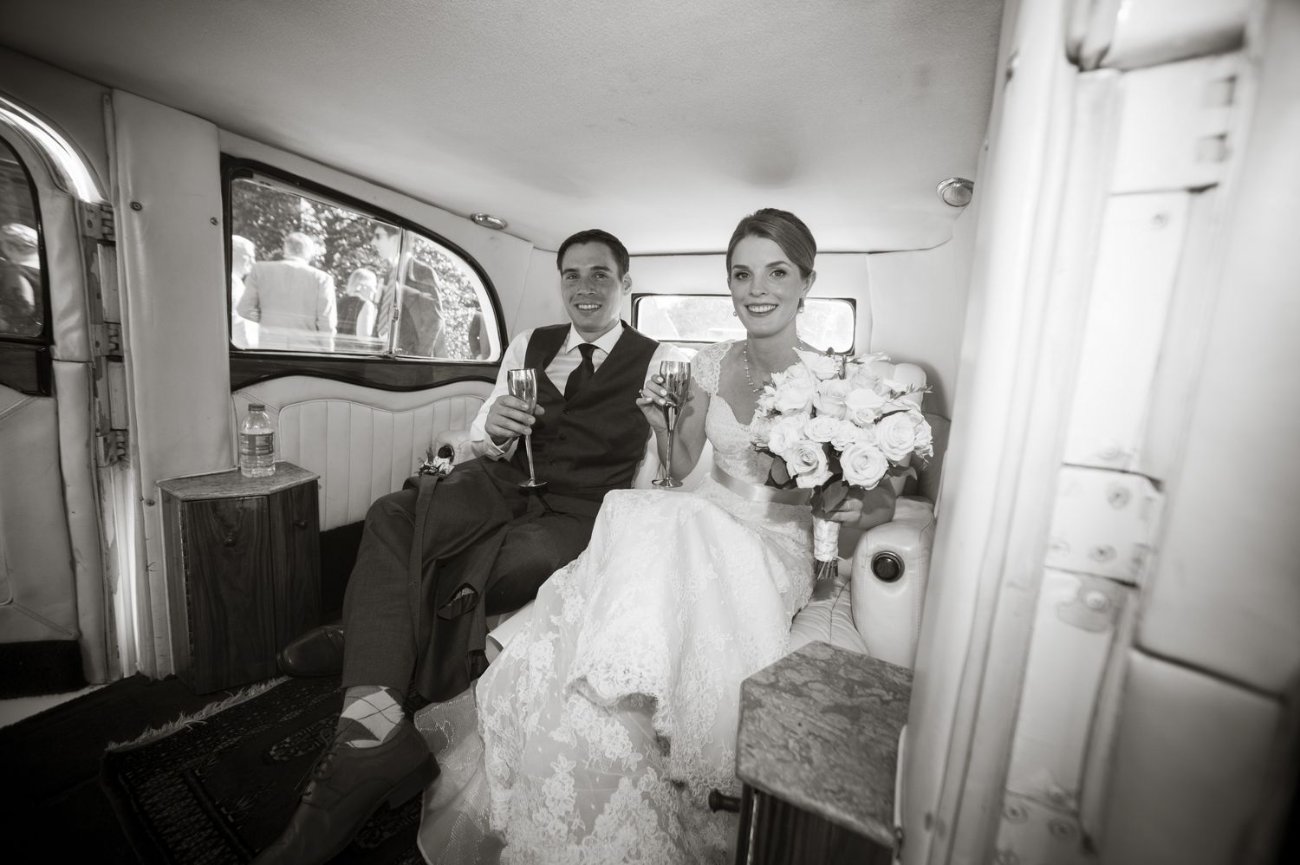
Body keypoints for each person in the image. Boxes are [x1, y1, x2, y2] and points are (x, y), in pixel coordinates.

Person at [415, 209, 901, 864]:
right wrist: (659, 425)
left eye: (777, 272)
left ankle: (622, 677)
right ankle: (609, 682)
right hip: (703, 513)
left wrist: (854, 505)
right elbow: (681, 465)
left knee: (667, 516)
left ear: (807, 281)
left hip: (773, 535)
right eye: (742, 274)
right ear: (730, 283)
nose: (757, 289)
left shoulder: (837, 381)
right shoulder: (708, 364)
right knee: (639, 507)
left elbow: (879, 495)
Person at [253, 229, 686, 865]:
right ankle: (371, 723)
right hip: (503, 480)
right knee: (394, 512)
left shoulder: (658, 358)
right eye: (571, 275)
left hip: (580, 508)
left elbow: (668, 463)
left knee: (512, 562)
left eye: (600, 274)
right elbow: (486, 430)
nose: (585, 288)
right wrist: (498, 428)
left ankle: (366, 642)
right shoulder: (530, 344)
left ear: (625, 282)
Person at [236, 232, 337, 352]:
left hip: (269, 347)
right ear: (309, 253)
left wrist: (265, 318)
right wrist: (328, 353)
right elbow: (326, 322)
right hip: (307, 350)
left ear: (285, 249)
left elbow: (243, 310)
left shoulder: (260, 270)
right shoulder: (322, 279)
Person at [372, 224, 445, 357]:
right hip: (388, 358)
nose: (373, 242)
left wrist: (416, 359)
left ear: (395, 239)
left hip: (410, 361)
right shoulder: (388, 275)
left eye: (378, 236)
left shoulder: (421, 272)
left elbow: (433, 321)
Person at [0, 222, 42, 337]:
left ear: (9, 246)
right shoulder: (46, 271)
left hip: (21, 338)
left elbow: (20, 312)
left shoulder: (14, 272)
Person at [336, 266, 379, 341]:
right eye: (373, 286)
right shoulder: (366, 305)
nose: (375, 291)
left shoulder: (339, 301)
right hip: (352, 347)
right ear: (364, 286)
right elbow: (364, 337)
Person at [229, 235, 257, 348]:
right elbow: (237, 326)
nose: (253, 262)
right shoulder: (233, 284)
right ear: (232, 253)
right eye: (249, 256)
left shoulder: (233, 281)